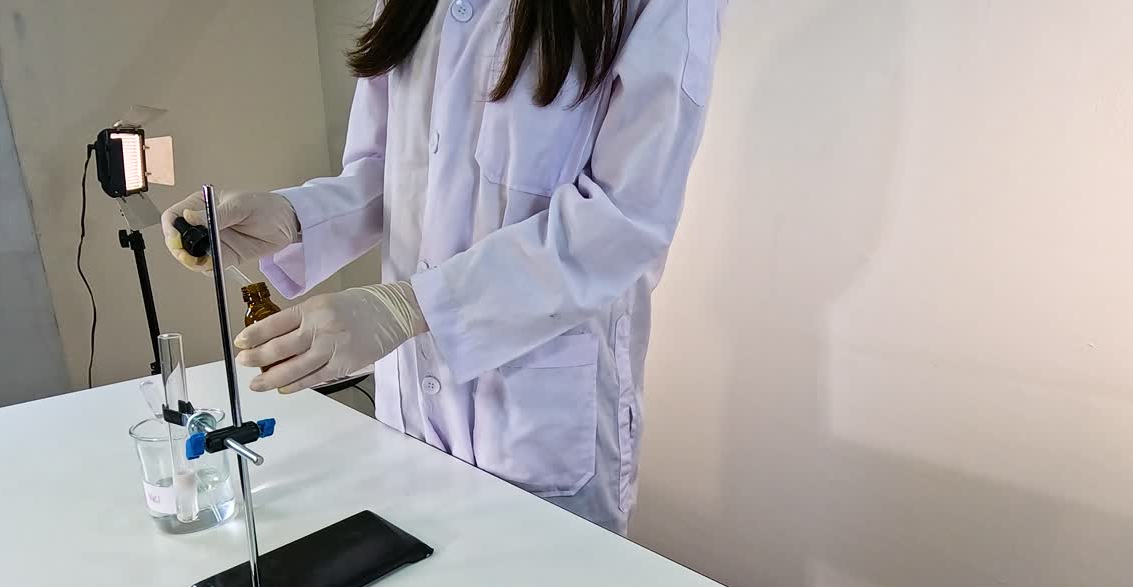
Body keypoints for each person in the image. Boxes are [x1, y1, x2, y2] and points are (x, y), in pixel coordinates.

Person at [161, 0, 725, 534]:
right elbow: (390, 169)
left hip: (538, 424)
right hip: (410, 407)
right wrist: (292, 216)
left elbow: (624, 221)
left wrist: (412, 307)